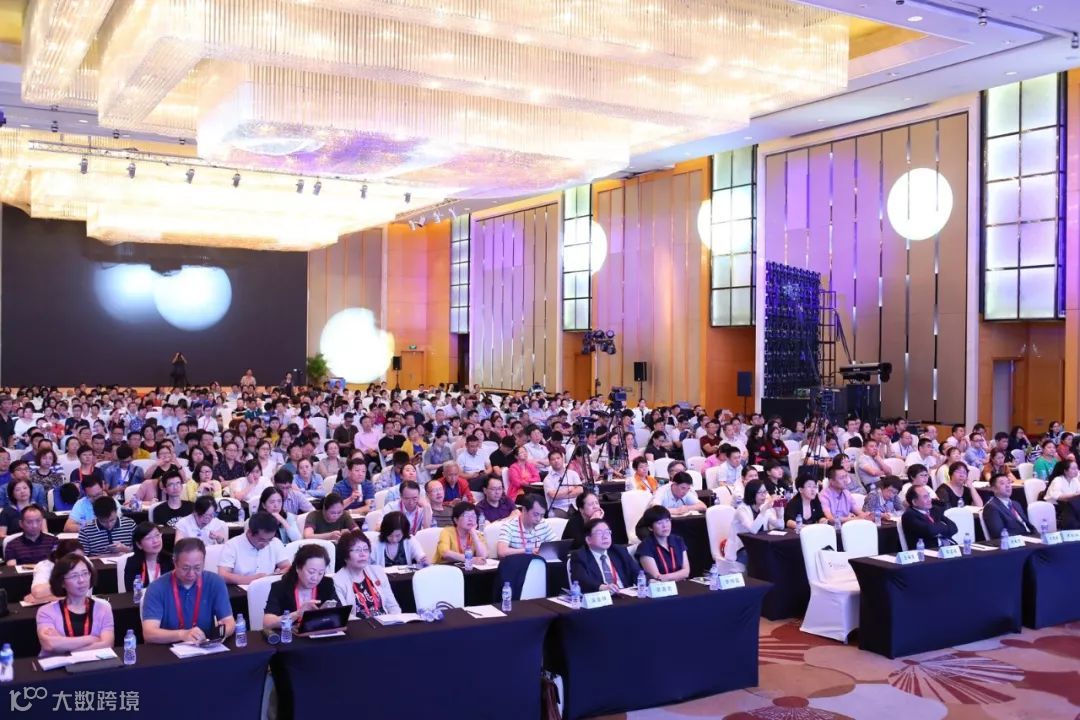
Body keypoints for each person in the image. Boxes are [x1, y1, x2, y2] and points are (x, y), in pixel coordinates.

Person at [142, 537, 235, 644]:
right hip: (168, 648)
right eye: (185, 568)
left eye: (197, 568)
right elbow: (149, 633)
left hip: (204, 646)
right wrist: (182, 635)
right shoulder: (157, 587)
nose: (191, 574)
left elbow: (229, 622)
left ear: (204, 563)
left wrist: (221, 633)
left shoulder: (215, 582)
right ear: (175, 562)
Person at [36, 554, 115, 657]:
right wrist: (91, 639)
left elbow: (107, 644)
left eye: (85, 573)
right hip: (59, 666)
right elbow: (50, 644)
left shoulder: (103, 608)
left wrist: (63, 645)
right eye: (74, 576)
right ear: (62, 582)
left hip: (93, 664)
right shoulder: (46, 611)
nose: (81, 580)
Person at [262, 543, 338, 630]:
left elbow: (340, 613)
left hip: (318, 634)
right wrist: (297, 614)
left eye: (321, 573)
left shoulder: (327, 584)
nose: (315, 578)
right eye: (311, 572)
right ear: (298, 568)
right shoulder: (280, 587)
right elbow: (267, 623)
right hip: (290, 635)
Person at [333, 530, 402, 618]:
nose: (363, 554)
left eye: (366, 549)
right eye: (357, 550)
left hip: (385, 623)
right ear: (345, 555)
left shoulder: (378, 572)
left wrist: (397, 620)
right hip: (359, 625)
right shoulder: (338, 580)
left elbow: (392, 606)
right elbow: (346, 616)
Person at [568, 518, 640, 593]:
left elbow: (637, 573)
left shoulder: (619, 551)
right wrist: (602, 587)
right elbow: (580, 579)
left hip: (624, 594)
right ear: (588, 539)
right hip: (600, 596)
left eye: (607, 532)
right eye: (599, 533)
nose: (605, 537)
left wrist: (647, 581)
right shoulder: (580, 556)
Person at [217, 511, 291, 584]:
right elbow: (223, 575)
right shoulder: (232, 545)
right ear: (250, 532)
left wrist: (275, 576)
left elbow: (287, 567)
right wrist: (251, 580)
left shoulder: (275, 542)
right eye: (262, 540)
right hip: (240, 588)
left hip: (267, 586)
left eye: (270, 539)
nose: (266, 544)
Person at [726, 480, 783, 565]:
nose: (764, 495)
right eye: (761, 493)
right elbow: (753, 530)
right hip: (741, 549)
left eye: (765, 492)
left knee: (778, 554)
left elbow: (780, 526)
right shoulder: (742, 509)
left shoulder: (763, 507)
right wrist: (764, 510)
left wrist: (779, 514)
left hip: (758, 547)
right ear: (752, 494)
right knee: (766, 559)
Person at [634, 505, 689, 581]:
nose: (665, 526)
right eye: (659, 523)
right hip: (661, 587)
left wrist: (665, 577)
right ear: (650, 528)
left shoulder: (678, 540)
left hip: (681, 584)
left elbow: (686, 572)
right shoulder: (645, 547)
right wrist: (678, 575)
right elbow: (656, 578)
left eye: (667, 521)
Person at [900, 485, 959, 549]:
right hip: (927, 551)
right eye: (925, 497)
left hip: (947, 547)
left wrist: (938, 529)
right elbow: (930, 530)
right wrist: (942, 526)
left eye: (928, 495)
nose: (929, 499)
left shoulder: (934, 510)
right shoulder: (909, 515)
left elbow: (954, 528)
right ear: (914, 502)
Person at [123, 522, 174, 591]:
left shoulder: (170, 560)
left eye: (157, 535)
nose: (155, 541)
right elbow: (131, 591)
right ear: (139, 545)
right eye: (148, 538)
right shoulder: (132, 563)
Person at [982, 472, 1034, 539]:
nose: (1007, 486)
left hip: (1030, 537)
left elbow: (1028, 525)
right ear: (994, 489)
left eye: (1008, 483)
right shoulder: (991, 507)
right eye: (1002, 483)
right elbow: (999, 534)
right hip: (1016, 541)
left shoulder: (1016, 504)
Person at [542, 449, 582, 519]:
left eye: (558, 458)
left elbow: (580, 490)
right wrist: (570, 489)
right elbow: (554, 495)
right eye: (553, 459)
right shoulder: (547, 479)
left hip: (574, 506)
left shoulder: (573, 473)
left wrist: (561, 495)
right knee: (553, 517)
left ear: (562, 459)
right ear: (550, 462)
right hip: (558, 507)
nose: (556, 461)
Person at [1046, 459, 1080, 530]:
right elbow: (1058, 497)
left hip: (1070, 505)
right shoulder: (1058, 480)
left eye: (1077, 468)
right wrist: (1075, 495)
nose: (1076, 471)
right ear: (1065, 471)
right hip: (1056, 506)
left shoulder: (1075, 480)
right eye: (1073, 469)